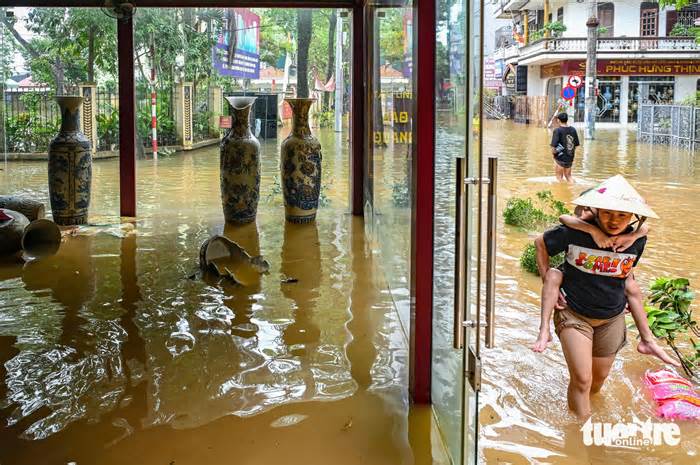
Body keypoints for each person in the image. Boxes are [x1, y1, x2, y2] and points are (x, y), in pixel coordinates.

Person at [531, 175, 673, 419]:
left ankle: (583, 407)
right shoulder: (575, 231)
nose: (614, 220)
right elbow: (541, 243)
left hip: (611, 317)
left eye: (622, 215)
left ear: (632, 216)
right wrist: (548, 281)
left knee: (597, 382)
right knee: (583, 380)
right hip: (574, 312)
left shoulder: (636, 240)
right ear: (595, 210)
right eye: (607, 213)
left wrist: (629, 293)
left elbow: (626, 272)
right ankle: (583, 439)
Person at [550, 113, 580, 183]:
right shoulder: (573, 129)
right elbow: (576, 145)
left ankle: (561, 192)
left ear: (558, 120)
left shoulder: (557, 130)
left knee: (559, 178)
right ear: (567, 120)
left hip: (559, 158)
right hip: (570, 157)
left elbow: (553, 146)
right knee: (568, 176)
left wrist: (554, 154)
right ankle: (572, 188)